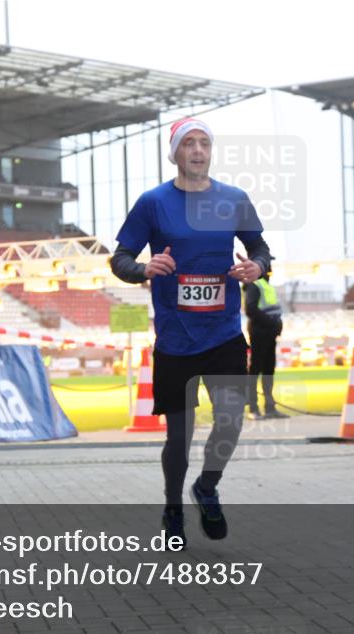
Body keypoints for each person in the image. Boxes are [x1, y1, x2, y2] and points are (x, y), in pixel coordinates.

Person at [109, 117, 272, 547]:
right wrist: (144, 268)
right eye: (188, 144)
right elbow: (121, 257)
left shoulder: (234, 198)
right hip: (175, 340)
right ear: (175, 153)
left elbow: (260, 248)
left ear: (210, 151)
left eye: (204, 143)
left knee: (231, 422)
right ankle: (172, 507)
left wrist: (257, 266)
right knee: (178, 438)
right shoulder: (153, 202)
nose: (197, 151)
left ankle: (207, 486)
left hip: (224, 334)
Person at [244, 270, 287, 419]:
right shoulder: (254, 285)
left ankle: (270, 407)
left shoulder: (266, 285)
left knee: (269, 370)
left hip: (269, 333)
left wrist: (277, 324)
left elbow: (272, 309)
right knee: (255, 370)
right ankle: (253, 408)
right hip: (259, 333)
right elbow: (251, 309)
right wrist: (271, 323)